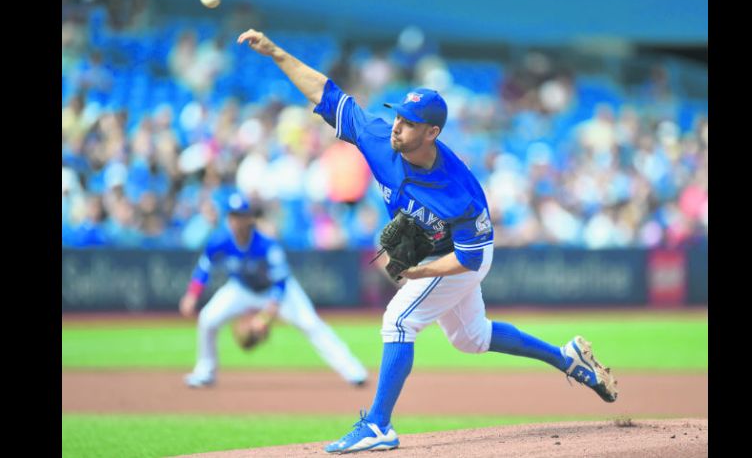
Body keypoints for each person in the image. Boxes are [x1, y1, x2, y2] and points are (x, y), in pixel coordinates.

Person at [237, 29, 619, 454]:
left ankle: (378, 425)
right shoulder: (380, 139)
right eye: (397, 117)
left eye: (408, 123)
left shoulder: (460, 192)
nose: (397, 126)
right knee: (470, 339)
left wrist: (422, 271)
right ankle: (566, 357)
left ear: (432, 133)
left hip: (460, 256)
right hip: (440, 254)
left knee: (399, 321)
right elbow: (327, 93)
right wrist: (276, 53)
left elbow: (470, 262)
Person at [178, 192, 369, 388]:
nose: (237, 221)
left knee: (311, 324)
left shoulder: (266, 244)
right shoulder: (219, 241)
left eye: (241, 215)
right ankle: (205, 372)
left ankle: (354, 371)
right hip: (241, 289)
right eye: (233, 216)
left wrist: (267, 315)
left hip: (278, 291)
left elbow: (280, 281)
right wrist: (192, 294)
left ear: (249, 218)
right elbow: (204, 268)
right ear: (228, 218)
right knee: (208, 319)